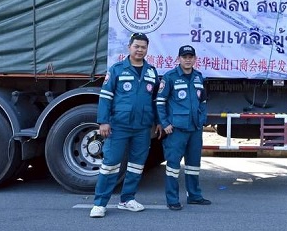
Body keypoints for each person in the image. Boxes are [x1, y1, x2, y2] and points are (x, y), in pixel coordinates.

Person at [90, 33, 159, 218]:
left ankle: (127, 199)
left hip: (142, 127)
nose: (140, 50)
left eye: (143, 47)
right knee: (110, 164)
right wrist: (104, 121)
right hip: (119, 126)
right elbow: (106, 97)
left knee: (137, 165)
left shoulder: (151, 72)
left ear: (147, 49)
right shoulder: (117, 70)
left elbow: (156, 101)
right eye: (136, 46)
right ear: (129, 47)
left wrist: (158, 122)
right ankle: (99, 203)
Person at [156, 44, 211, 211]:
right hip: (177, 130)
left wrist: (202, 119)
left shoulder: (198, 77)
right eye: (184, 57)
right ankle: (172, 199)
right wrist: (165, 123)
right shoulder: (170, 77)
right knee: (173, 166)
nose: (187, 60)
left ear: (195, 59)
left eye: (190, 57)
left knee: (193, 165)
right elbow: (160, 102)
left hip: (195, 129)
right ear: (178, 59)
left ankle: (194, 196)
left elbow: (203, 101)